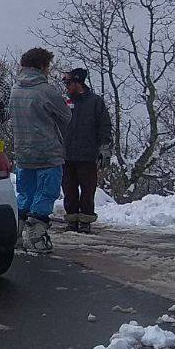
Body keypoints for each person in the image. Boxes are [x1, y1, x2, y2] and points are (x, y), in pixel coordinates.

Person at [8, 47, 71, 254]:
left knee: (25, 192)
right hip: (47, 151)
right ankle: (37, 236)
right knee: (46, 192)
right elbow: (66, 116)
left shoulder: (15, 89)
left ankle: (16, 233)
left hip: (23, 151)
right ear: (42, 66)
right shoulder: (46, 90)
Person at [61, 68, 111, 234]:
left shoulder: (95, 102)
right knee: (69, 190)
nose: (67, 86)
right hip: (66, 154)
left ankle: (85, 220)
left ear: (78, 82)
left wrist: (105, 148)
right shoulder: (64, 101)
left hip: (87, 154)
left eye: (69, 83)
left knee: (88, 190)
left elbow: (104, 126)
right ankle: (71, 219)